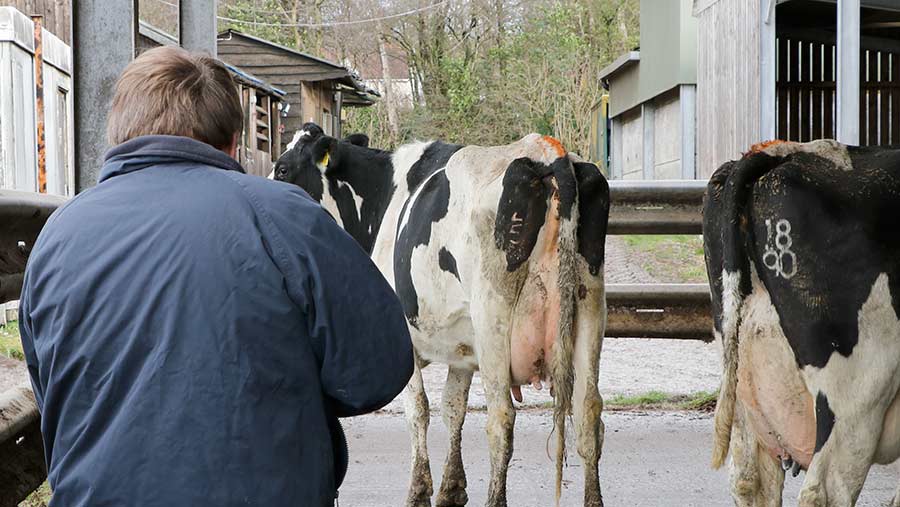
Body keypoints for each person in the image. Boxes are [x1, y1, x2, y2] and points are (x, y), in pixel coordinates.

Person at [18, 46, 413, 507]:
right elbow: (377, 371)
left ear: (118, 135)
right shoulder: (284, 217)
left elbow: (54, 390)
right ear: (232, 142)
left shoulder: (57, 237)